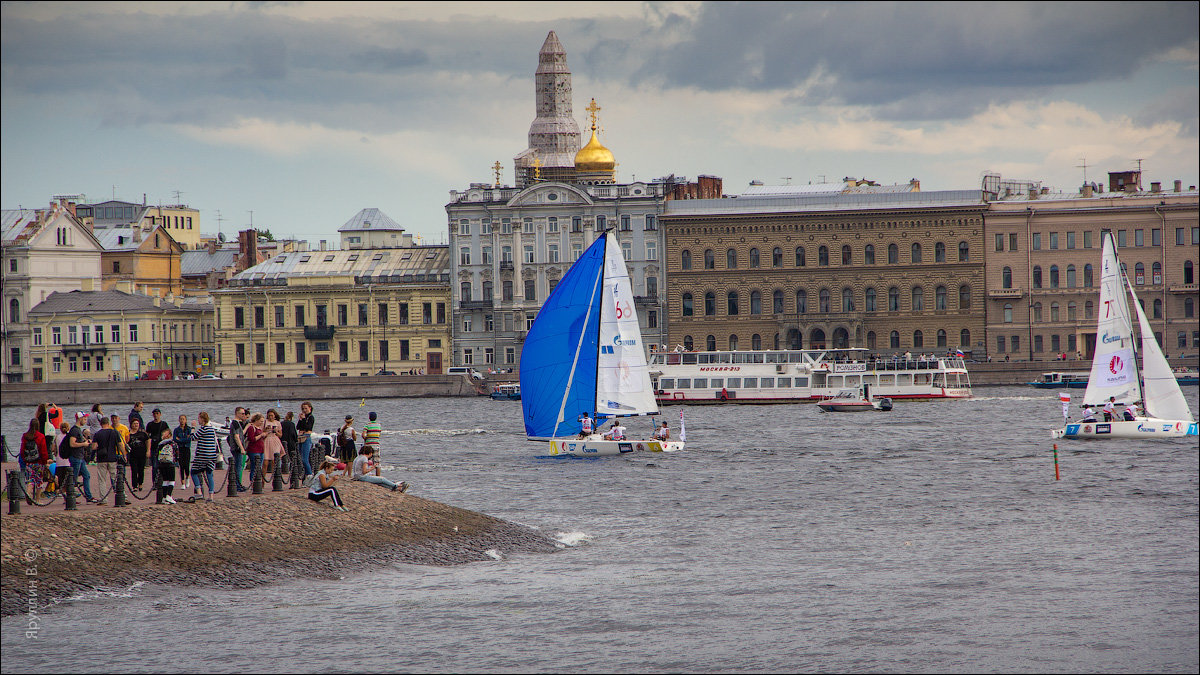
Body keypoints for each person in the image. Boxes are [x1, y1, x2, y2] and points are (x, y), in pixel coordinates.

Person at [91, 416, 125, 505]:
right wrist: (124, 454)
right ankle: (121, 496)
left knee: (102, 480)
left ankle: (104, 499)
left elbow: (94, 447)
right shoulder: (114, 432)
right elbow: (120, 444)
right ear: (108, 423)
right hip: (112, 458)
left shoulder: (97, 434)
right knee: (115, 478)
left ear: (100, 424)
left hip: (101, 459)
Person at [190, 411, 219, 502]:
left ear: (202, 419)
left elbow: (193, 437)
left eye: (199, 418)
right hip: (211, 456)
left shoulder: (204, 429)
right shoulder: (212, 429)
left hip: (202, 456)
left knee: (194, 472)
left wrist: (193, 428)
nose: (198, 420)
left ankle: (199, 492)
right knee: (209, 475)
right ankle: (211, 496)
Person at [19, 419, 48, 504]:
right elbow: (43, 451)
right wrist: (44, 461)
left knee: (30, 480)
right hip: (39, 462)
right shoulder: (40, 436)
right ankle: (38, 500)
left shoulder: (25, 436)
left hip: (29, 462)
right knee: (39, 480)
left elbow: (22, 450)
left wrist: (25, 460)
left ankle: (28, 493)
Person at [156, 428, 179, 504]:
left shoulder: (160, 444)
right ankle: (169, 496)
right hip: (169, 463)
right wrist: (176, 462)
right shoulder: (173, 443)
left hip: (161, 463)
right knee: (172, 480)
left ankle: (164, 497)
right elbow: (176, 453)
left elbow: (157, 453)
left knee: (165, 480)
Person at [126, 417, 150, 491]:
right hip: (133, 454)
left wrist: (148, 450)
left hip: (142, 454)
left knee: (141, 470)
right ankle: (134, 486)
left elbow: (148, 440)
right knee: (134, 470)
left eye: (137, 423)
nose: (136, 425)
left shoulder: (142, 433)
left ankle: (140, 484)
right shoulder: (128, 433)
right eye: (134, 424)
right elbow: (125, 443)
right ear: (131, 424)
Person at [227, 407, 248, 491]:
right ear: (237, 413)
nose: (244, 415)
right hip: (237, 448)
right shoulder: (235, 423)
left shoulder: (238, 423)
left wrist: (247, 426)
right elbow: (236, 437)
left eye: (244, 413)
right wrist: (242, 448)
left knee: (238, 466)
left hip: (238, 448)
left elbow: (241, 433)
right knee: (238, 467)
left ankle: (238, 484)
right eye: (242, 413)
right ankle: (237, 486)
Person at [146, 408, 170, 477]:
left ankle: (162, 482)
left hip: (162, 448)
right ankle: (155, 483)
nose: (156, 415)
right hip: (153, 447)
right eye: (154, 414)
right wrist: (148, 449)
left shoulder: (164, 424)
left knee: (163, 466)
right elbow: (148, 437)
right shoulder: (150, 424)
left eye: (157, 414)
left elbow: (168, 434)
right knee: (154, 466)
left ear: (160, 414)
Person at [244, 412, 267, 486]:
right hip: (254, 450)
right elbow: (252, 439)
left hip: (261, 450)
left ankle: (257, 482)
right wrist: (261, 435)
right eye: (261, 421)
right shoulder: (251, 428)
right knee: (254, 467)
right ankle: (253, 483)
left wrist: (265, 434)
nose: (262, 423)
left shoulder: (259, 428)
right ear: (256, 420)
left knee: (259, 467)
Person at [173, 415, 194, 494]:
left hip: (187, 448)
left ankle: (187, 478)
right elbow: (175, 439)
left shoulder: (188, 429)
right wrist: (182, 440)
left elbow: (189, 438)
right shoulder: (176, 430)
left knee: (186, 464)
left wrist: (181, 439)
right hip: (180, 449)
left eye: (183, 419)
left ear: (186, 420)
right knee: (181, 465)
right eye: (180, 419)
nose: (182, 421)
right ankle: (182, 482)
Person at [262, 409, 285, 475]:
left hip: (275, 440)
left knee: (274, 461)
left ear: (275, 416)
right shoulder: (265, 422)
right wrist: (266, 430)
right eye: (269, 415)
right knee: (265, 462)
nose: (270, 417)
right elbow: (262, 432)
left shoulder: (277, 423)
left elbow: (280, 435)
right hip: (267, 440)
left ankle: (275, 478)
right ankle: (263, 479)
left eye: (272, 415)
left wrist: (276, 432)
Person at [296, 401, 315, 483]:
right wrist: (300, 419)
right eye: (303, 408)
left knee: (304, 459)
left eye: (306, 408)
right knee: (300, 458)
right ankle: (305, 475)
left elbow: (308, 427)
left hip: (306, 437)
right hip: (301, 437)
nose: (304, 410)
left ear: (310, 408)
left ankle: (310, 474)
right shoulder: (304, 417)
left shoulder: (310, 417)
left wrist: (303, 419)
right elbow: (298, 427)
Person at [281, 410, 298, 483]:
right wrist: (296, 440)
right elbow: (293, 434)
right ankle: (291, 469)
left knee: (282, 456)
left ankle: (282, 469)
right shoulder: (291, 424)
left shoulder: (281, 423)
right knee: (292, 457)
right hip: (290, 442)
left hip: (282, 441)